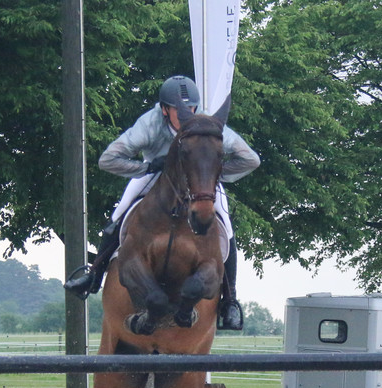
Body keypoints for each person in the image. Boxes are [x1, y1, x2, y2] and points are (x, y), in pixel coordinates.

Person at [64, 75, 260, 330]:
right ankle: (93, 275)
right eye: (180, 110)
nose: (187, 115)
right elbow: (108, 160)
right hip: (153, 176)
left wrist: (212, 172)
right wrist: (145, 167)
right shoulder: (150, 123)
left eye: (192, 109)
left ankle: (230, 300)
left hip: (197, 182)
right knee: (120, 212)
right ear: (165, 109)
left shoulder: (203, 122)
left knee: (226, 224)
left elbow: (251, 160)